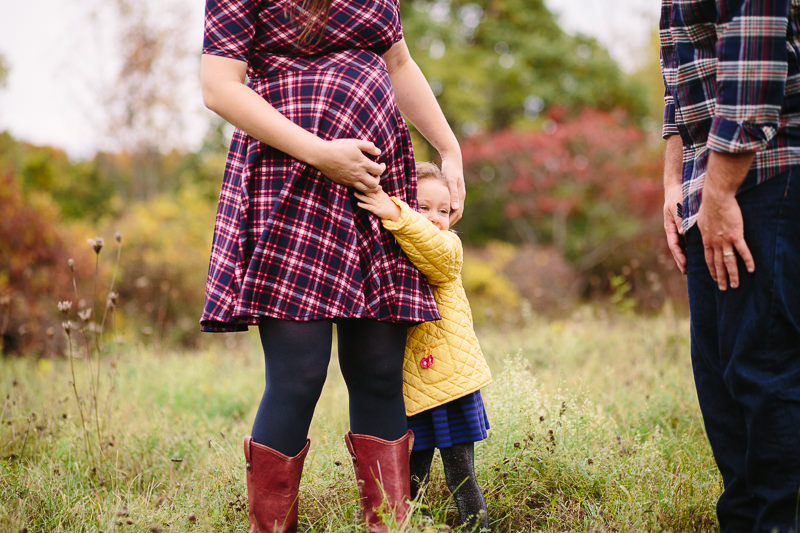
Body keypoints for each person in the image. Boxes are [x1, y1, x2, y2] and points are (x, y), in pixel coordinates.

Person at [199, 0, 465, 531]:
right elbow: (219, 86)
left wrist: (449, 146)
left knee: (380, 372)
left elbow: (399, 64)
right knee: (298, 375)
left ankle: (386, 526)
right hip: (290, 180)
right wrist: (320, 153)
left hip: (375, 185)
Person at [660, 1, 800, 531]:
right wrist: (675, 183)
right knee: (718, 376)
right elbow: (680, 81)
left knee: (762, 368)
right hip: (706, 182)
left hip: (765, 171)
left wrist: (719, 195)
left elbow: (754, 58)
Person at [356, 161, 492, 532]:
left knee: (461, 477)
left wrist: (396, 212)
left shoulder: (447, 246)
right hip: (412, 391)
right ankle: (417, 528)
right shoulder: (393, 248)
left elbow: (434, 252)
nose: (434, 218)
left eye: (444, 210)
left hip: (450, 385)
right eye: (424, 207)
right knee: (411, 481)